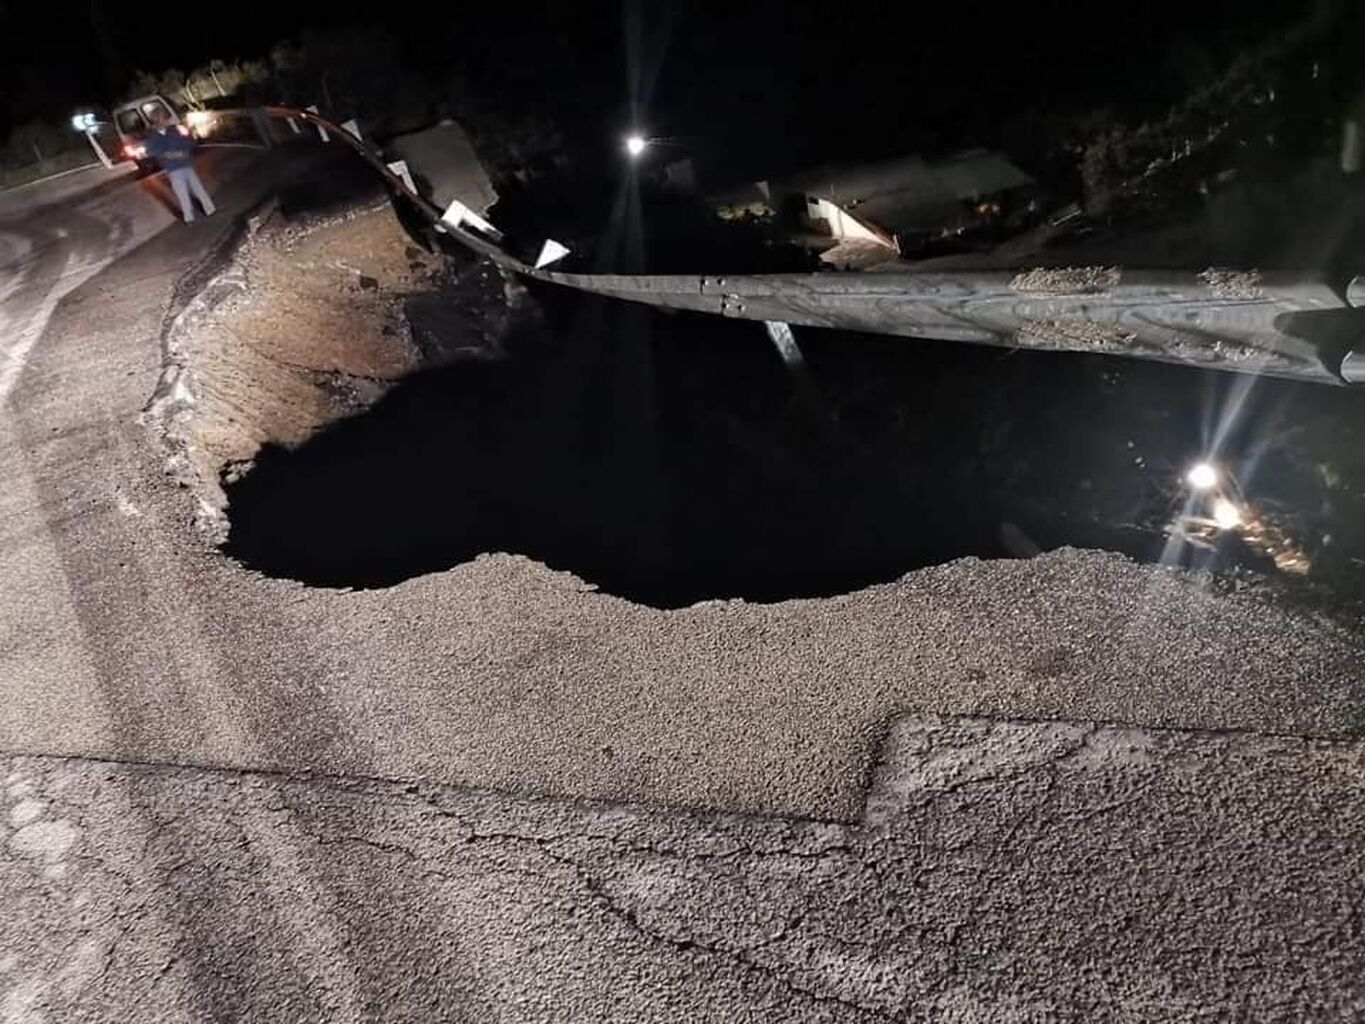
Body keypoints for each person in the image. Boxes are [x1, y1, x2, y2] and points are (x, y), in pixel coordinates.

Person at [143, 109, 216, 223]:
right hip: (173, 169)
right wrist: (169, 154)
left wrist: (187, 145)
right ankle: (189, 218)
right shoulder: (153, 137)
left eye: (165, 118)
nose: (166, 120)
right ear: (156, 120)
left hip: (186, 164)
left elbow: (189, 142)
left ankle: (210, 210)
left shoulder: (174, 130)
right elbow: (152, 152)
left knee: (199, 189)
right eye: (163, 118)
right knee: (182, 194)